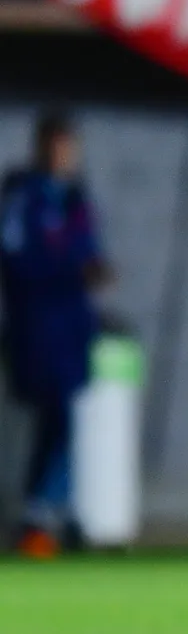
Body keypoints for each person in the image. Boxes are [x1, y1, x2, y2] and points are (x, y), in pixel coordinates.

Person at [0, 112, 111, 556]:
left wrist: (94, 272)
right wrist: (71, 271)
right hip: (36, 325)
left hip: (71, 328)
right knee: (52, 418)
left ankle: (51, 512)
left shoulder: (74, 198)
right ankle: (38, 512)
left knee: (63, 420)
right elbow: (19, 258)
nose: (63, 156)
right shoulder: (24, 197)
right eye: (56, 146)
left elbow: (87, 252)